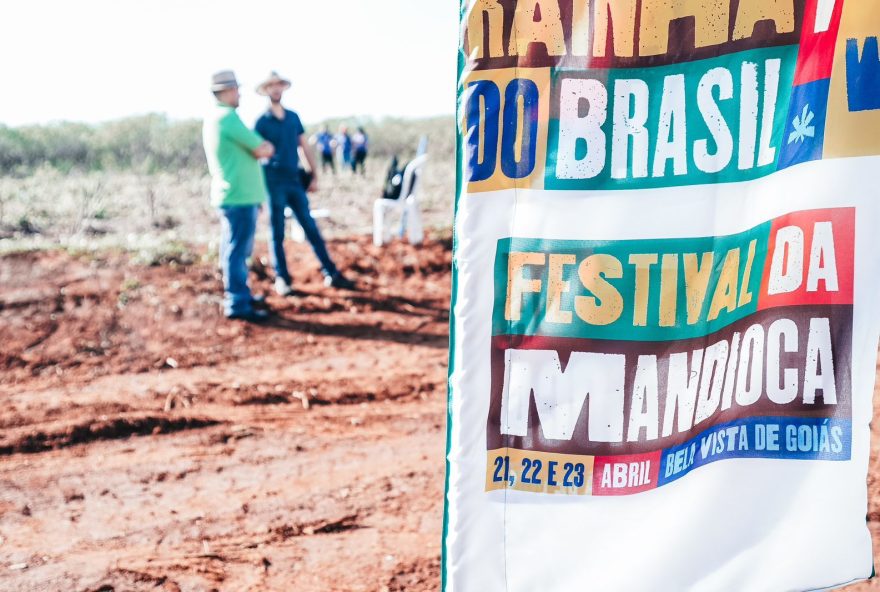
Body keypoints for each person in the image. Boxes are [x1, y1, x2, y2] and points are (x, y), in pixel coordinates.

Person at [254, 71, 355, 295]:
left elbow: (303, 146)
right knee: (276, 232)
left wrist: (313, 174)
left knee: (310, 227)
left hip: (294, 181)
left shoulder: (293, 117)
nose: (276, 89)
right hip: (272, 182)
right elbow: (256, 153)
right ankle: (282, 279)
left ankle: (331, 273)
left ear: (283, 88)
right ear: (266, 91)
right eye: (271, 86)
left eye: (279, 85)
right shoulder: (261, 122)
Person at [202, 70, 275, 322]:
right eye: (235, 89)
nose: (239, 93)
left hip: (235, 196)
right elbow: (261, 148)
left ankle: (239, 295)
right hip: (239, 197)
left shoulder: (215, 118)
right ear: (225, 91)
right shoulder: (227, 118)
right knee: (237, 251)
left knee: (232, 248)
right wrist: (265, 148)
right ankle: (237, 302)